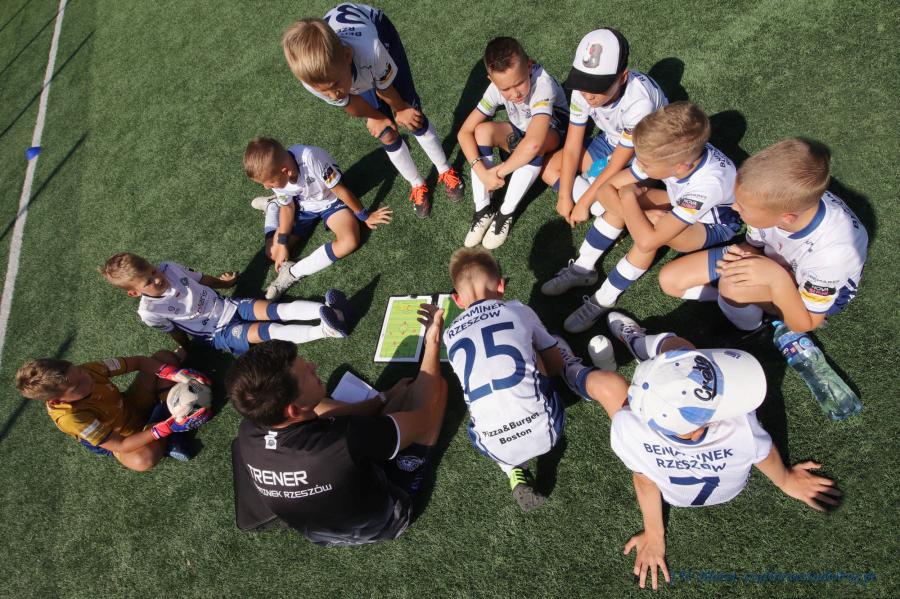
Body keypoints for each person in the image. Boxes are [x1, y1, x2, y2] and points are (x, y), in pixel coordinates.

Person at [587, 311, 841, 590]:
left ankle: (571, 369)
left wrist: (655, 536)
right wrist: (786, 480)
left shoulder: (629, 429)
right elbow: (764, 455)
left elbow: (645, 482)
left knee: (606, 383)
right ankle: (638, 344)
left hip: (676, 495)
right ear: (699, 428)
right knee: (680, 350)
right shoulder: (739, 426)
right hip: (726, 489)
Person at [228, 303, 447, 546]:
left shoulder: (249, 430)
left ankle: (378, 412)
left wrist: (383, 398)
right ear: (293, 411)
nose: (313, 366)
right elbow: (424, 418)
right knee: (436, 389)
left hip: (320, 532)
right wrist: (432, 342)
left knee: (318, 405)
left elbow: (325, 425)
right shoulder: (344, 439)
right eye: (306, 372)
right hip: (385, 521)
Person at [443, 248, 610, 510]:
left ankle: (511, 469)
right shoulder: (518, 309)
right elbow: (552, 364)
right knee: (549, 345)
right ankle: (575, 374)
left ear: (457, 300)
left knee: (481, 410)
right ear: (501, 286)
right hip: (547, 429)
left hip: (494, 446)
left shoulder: (449, 334)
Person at [559, 102, 741, 333]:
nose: (639, 165)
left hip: (712, 224)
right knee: (631, 205)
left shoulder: (709, 183)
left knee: (644, 217)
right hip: (681, 202)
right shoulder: (671, 157)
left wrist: (630, 201)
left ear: (680, 167)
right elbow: (604, 190)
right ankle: (583, 267)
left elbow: (647, 241)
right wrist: (637, 211)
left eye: (645, 163)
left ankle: (604, 298)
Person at [658, 138, 869, 333]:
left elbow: (807, 323)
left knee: (732, 287)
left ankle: (755, 325)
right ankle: (744, 302)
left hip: (806, 293)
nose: (734, 207)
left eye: (743, 207)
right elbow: (755, 246)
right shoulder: (773, 205)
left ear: (786, 218)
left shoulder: (831, 256)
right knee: (670, 281)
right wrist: (744, 255)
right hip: (775, 262)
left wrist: (777, 279)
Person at [282, 3, 464, 218]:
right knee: (386, 133)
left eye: (334, 86)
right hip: (356, 66)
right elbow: (349, 103)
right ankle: (416, 183)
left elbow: (385, 87)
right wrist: (374, 116)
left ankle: (444, 169)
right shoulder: (313, 80)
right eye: (324, 91)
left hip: (378, 31)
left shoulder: (371, 50)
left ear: (347, 55)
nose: (333, 95)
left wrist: (400, 108)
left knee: (412, 116)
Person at [540, 27, 667, 270]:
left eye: (598, 86)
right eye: (583, 83)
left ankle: (620, 213)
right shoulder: (582, 93)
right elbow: (572, 146)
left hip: (644, 155)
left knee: (622, 193)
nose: (588, 94)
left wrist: (583, 203)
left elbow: (618, 164)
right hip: (611, 142)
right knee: (549, 167)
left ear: (623, 77)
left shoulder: (640, 103)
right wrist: (564, 196)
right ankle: (609, 210)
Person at [100, 253, 350, 356]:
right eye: (148, 281)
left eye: (153, 270)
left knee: (275, 310)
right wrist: (187, 349)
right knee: (270, 330)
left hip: (230, 305)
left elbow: (201, 279)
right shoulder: (149, 312)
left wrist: (224, 283)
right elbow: (174, 330)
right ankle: (326, 330)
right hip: (217, 332)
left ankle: (328, 311)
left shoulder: (170, 268)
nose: (157, 278)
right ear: (134, 293)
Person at [243, 137, 392, 300]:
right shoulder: (278, 171)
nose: (266, 187)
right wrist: (283, 242)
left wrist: (365, 215)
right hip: (302, 205)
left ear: (286, 171)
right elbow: (288, 207)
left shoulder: (311, 158)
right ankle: (272, 206)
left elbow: (340, 190)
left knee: (350, 241)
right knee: (272, 252)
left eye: (270, 183)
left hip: (331, 200)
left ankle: (292, 273)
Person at [457, 37, 569, 249]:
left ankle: (505, 212)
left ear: (529, 65)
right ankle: (483, 208)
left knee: (535, 144)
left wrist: (498, 172)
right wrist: (482, 173)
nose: (515, 93)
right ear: (491, 80)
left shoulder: (542, 84)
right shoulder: (497, 87)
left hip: (552, 134)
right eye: (506, 89)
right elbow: (464, 132)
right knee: (482, 130)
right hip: (522, 133)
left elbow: (533, 143)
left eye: (519, 83)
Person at [15, 351, 212, 471]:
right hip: (124, 437)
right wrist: (166, 428)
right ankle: (171, 426)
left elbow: (139, 362)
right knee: (142, 460)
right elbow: (122, 444)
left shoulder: (89, 370)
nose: (87, 379)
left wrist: (175, 374)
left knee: (164, 358)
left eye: (80, 372)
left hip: (129, 406)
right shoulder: (70, 417)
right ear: (57, 400)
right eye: (78, 385)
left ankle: (169, 422)